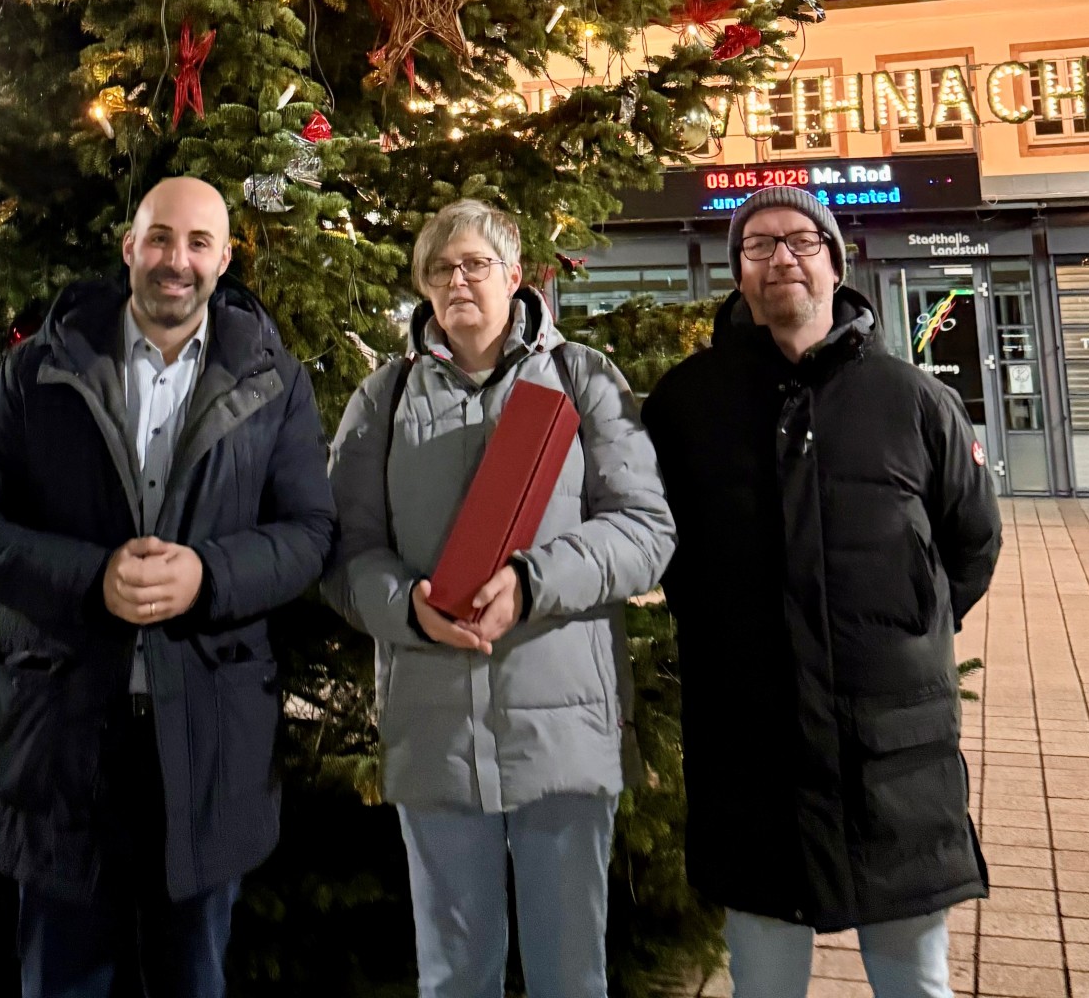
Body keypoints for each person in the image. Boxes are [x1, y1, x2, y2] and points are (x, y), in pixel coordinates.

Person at [0, 176, 336, 998]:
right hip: (60, 742)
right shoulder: (35, 374)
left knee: (193, 980)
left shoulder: (276, 383)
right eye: (159, 239)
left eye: (197, 244)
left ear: (225, 258)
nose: (175, 262)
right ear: (129, 248)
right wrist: (91, 580)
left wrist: (208, 575)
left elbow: (310, 535)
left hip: (208, 745)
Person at [642, 189, 1002, 998]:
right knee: (764, 984)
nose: (781, 259)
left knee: (914, 980)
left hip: (895, 750)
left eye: (801, 240)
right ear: (737, 274)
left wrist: (909, 630)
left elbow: (970, 544)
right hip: (751, 744)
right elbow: (658, 542)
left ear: (836, 263)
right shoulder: (686, 404)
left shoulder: (914, 401)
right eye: (758, 246)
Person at [325, 198, 675, 998]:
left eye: (476, 264)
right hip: (436, 732)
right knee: (455, 978)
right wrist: (405, 606)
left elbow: (646, 531)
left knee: (569, 977)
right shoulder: (382, 400)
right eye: (440, 269)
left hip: (562, 738)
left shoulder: (583, 380)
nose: (458, 281)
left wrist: (533, 581)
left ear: (516, 276)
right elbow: (345, 556)